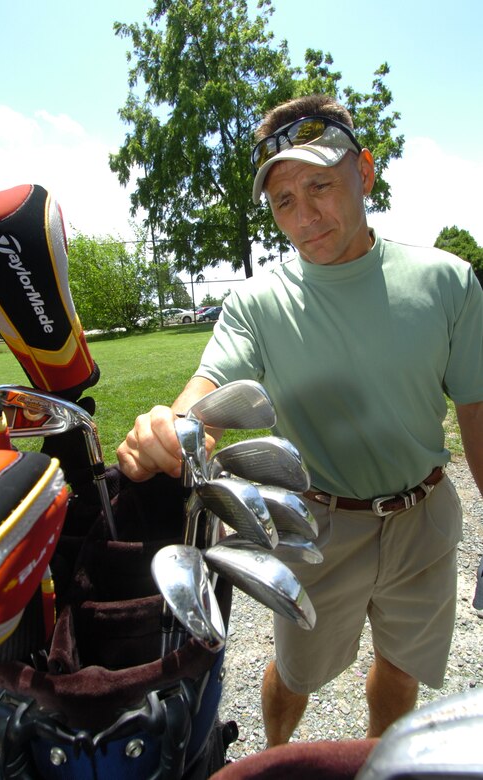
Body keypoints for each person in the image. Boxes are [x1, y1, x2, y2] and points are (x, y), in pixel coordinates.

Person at [117, 94, 483, 746]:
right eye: (283, 200)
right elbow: (205, 398)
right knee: (293, 675)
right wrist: (166, 427)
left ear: (363, 172)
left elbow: (476, 415)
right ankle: (277, 756)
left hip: (423, 521)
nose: (304, 215)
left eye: (319, 185)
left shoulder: (447, 283)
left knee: (399, 672)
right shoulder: (258, 304)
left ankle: (372, 764)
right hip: (315, 526)